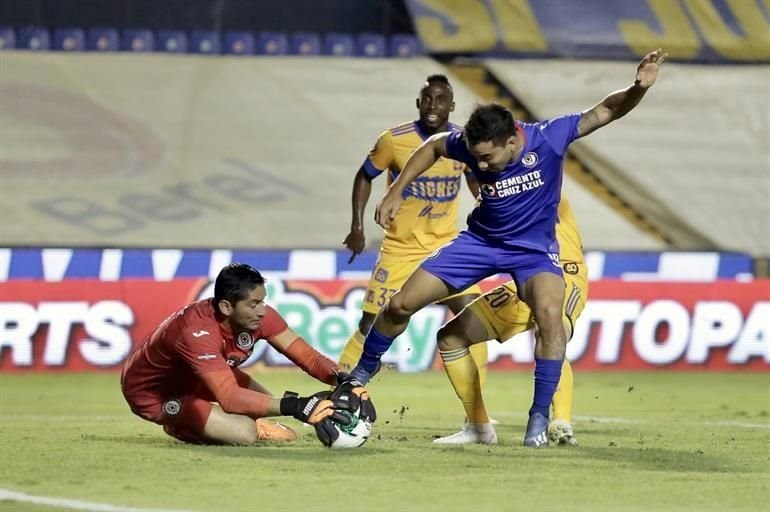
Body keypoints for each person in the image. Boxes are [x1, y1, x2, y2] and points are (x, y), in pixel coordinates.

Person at [348, 49, 667, 447]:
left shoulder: (549, 137)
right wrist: (396, 189)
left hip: (533, 253)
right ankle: (361, 373)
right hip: (479, 243)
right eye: (475, 157)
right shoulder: (470, 146)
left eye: (488, 157)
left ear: (513, 139)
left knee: (551, 318)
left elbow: (606, 110)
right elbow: (432, 146)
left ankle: (538, 421)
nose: (480, 165)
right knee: (399, 305)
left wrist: (638, 88)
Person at [121, 263, 374, 446]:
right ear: (226, 306)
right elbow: (230, 398)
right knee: (243, 432)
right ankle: (180, 423)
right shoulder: (197, 332)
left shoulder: (257, 316)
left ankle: (215, 420)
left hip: (196, 375)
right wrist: (298, 406)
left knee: (263, 402)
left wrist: (345, 379)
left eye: (263, 301)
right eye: (254, 304)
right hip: (156, 393)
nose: (263, 311)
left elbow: (306, 356)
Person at [339, 73, 484, 378]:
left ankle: (477, 411)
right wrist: (358, 226)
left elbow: (475, 182)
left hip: (445, 246)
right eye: (428, 99)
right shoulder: (394, 140)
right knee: (371, 322)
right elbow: (364, 175)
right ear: (419, 103)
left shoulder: (462, 142)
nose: (433, 105)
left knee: (475, 315)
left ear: (452, 105)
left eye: (441, 99)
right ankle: (340, 384)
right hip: (399, 249)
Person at [433, 194, 587, 446]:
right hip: (523, 280)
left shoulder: (542, 179)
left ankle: (561, 422)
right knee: (451, 338)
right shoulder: (491, 191)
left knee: (551, 331)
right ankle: (478, 427)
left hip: (564, 274)